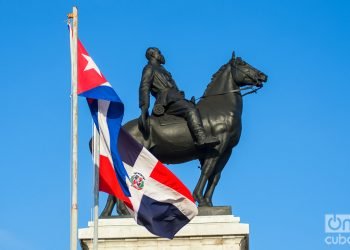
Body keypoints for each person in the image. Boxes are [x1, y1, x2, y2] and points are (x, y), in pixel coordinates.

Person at [138, 47, 219, 148]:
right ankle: (201, 138)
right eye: (159, 53)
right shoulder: (149, 68)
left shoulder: (162, 69)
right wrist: (144, 107)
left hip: (174, 97)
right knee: (190, 109)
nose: (161, 55)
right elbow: (144, 86)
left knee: (191, 106)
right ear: (152, 55)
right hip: (166, 101)